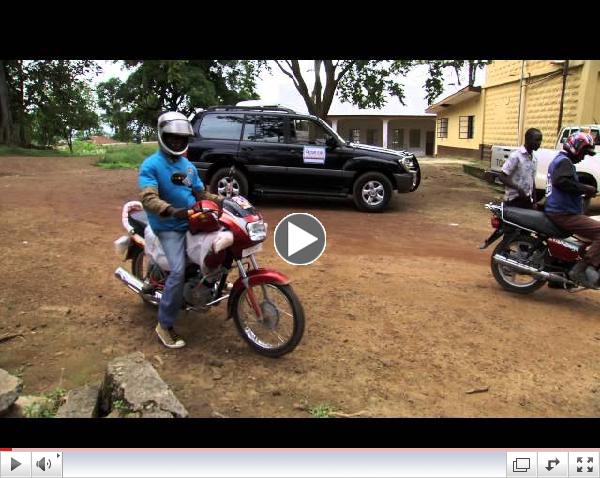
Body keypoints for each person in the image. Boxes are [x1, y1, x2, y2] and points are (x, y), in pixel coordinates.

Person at [139, 111, 222, 348]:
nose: (177, 142)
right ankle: (164, 325)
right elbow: (148, 197)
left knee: (216, 249)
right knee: (177, 271)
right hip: (168, 226)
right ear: (162, 136)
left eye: (181, 138)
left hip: (192, 221)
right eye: (172, 137)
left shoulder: (188, 166)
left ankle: (202, 287)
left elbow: (201, 193)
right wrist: (170, 210)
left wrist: (225, 201)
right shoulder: (151, 165)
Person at [545, 132, 599, 288]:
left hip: (561, 211)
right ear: (575, 147)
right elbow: (561, 181)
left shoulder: (561, 160)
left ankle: (558, 278)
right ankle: (581, 269)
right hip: (564, 214)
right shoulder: (564, 162)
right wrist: (585, 188)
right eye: (583, 153)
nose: (583, 157)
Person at [498, 128, 543, 209]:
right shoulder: (516, 156)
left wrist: (534, 202)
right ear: (528, 139)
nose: (539, 143)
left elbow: (532, 181)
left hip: (527, 200)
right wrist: (518, 189)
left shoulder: (534, 159)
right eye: (537, 140)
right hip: (513, 200)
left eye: (540, 140)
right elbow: (501, 176)